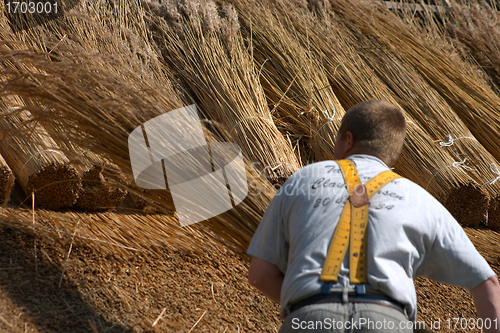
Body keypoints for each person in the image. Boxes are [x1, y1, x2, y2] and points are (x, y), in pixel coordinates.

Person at [246, 100, 500, 332]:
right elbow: (488, 283)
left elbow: (260, 275)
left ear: (348, 140)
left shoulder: (302, 180)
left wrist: (310, 308)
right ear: (393, 151)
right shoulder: (420, 199)